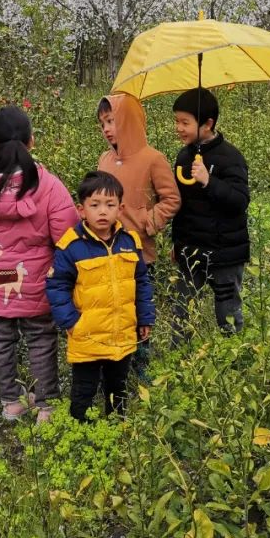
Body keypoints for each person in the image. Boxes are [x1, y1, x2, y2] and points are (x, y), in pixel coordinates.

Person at [0, 105, 78, 424]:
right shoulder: (48, 185)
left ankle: (12, 402)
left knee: (1, 338)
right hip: (34, 280)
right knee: (40, 338)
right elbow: (66, 234)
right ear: (31, 142)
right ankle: (46, 405)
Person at [46, 171, 155, 422]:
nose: (102, 211)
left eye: (110, 204)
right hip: (87, 335)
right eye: (95, 205)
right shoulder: (71, 246)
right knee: (84, 387)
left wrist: (145, 317)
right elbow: (56, 285)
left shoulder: (129, 241)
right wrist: (71, 322)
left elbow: (141, 281)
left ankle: (117, 425)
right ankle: (80, 428)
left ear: (121, 208)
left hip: (122, 331)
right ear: (82, 209)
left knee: (117, 384)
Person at [96, 92, 180, 376]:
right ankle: (116, 361)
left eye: (112, 121)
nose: (107, 129)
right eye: (102, 123)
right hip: (106, 250)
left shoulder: (152, 158)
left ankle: (141, 365)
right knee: (113, 307)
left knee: (140, 308)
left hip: (141, 252)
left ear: (128, 121)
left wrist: (148, 221)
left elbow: (171, 199)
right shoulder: (104, 159)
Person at [171, 87, 250, 336]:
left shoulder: (231, 157)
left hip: (225, 254)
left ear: (208, 123)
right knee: (181, 312)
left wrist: (209, 181)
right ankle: (179, 366)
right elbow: (181, 205)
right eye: (177, 121)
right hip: (191, 250)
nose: (179, 128)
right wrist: (176, 242)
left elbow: (239, 200)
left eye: (185, 122)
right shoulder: (184, 157)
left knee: (227, 314)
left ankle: (235, 361)